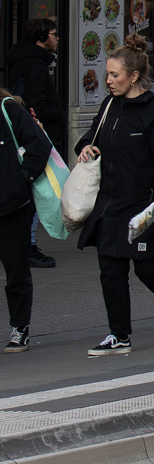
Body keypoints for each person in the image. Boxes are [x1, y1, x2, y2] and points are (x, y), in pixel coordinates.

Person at [75, 35, 154, 356]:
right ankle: (119, 335)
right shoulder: (111, 104)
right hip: (111, 201)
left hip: (146, 203)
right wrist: (85, 147)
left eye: (115, 75)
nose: (108, 81)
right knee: (111, 269)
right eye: (107, 74)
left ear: (134, 77)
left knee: (147, 267)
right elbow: (92, 134)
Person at [5, 18, 63, 268]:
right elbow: (35, 104)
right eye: (53, 34)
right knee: (38, 190)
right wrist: (57, 112)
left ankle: (23, 244)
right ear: (41, 38)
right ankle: (27, 245)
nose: (57, 38)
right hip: (38, 134)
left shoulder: (23, 61)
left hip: (23, 135)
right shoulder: (36, 66)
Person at [0, 87, 50, 351]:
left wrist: (21, 180)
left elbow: (39, 146)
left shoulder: (8, 110)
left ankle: (20, 328)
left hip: (11, 208)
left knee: (16, 271)